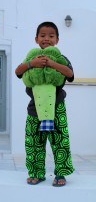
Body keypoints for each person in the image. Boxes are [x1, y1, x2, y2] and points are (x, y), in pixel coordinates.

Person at [15, 21, 75, 187]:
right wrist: (31, 64)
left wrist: (51, 63)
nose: (46, 38)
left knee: (60, 140)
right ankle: (36, 173)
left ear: (57, 39)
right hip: (35, 109)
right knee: (34, 142)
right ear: (36, 39)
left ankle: (61, 173)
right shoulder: (31, 57)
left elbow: (70, 74)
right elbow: (18, 71)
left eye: (51, 36)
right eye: (42, 35)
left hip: (57, 107)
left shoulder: (60, 57)